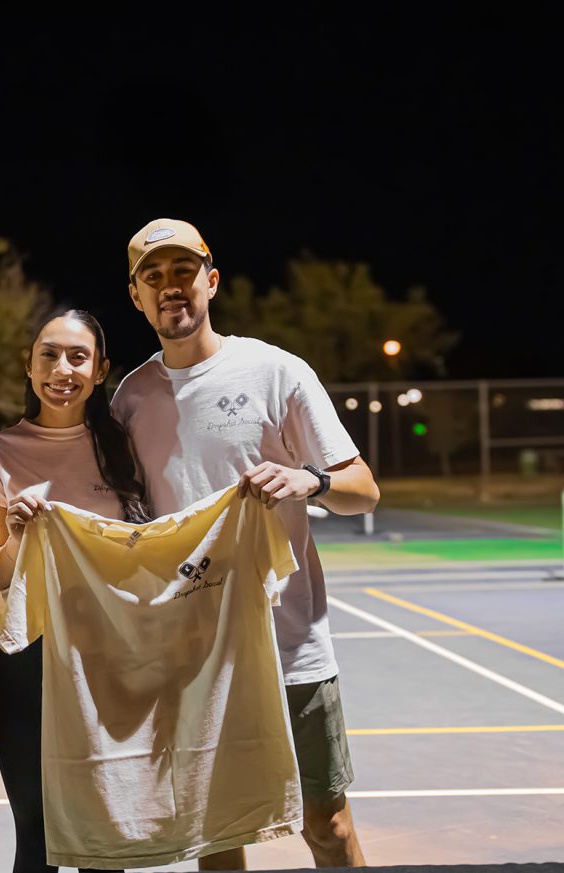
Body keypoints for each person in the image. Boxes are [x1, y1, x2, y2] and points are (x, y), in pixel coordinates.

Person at [111, 218, 380, 869]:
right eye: (154, 276)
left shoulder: (275, 371)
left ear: (211, 280)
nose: (170, 286)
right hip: (196, 654)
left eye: (182, 271)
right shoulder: (131, 399)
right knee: (217, 830)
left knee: (329, 822)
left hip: (291, 647)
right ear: (136, 295)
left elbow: (363, 488)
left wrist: (308, 479)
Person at [0, 309, 146, 873]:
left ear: (100, 372)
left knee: (104, 838)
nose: (61, 369)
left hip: (107, 661)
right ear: (29, 365)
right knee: (37, 839)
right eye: (48, 354)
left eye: (78, 357)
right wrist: (20, 533)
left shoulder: (123, 449)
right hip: (27, 662)